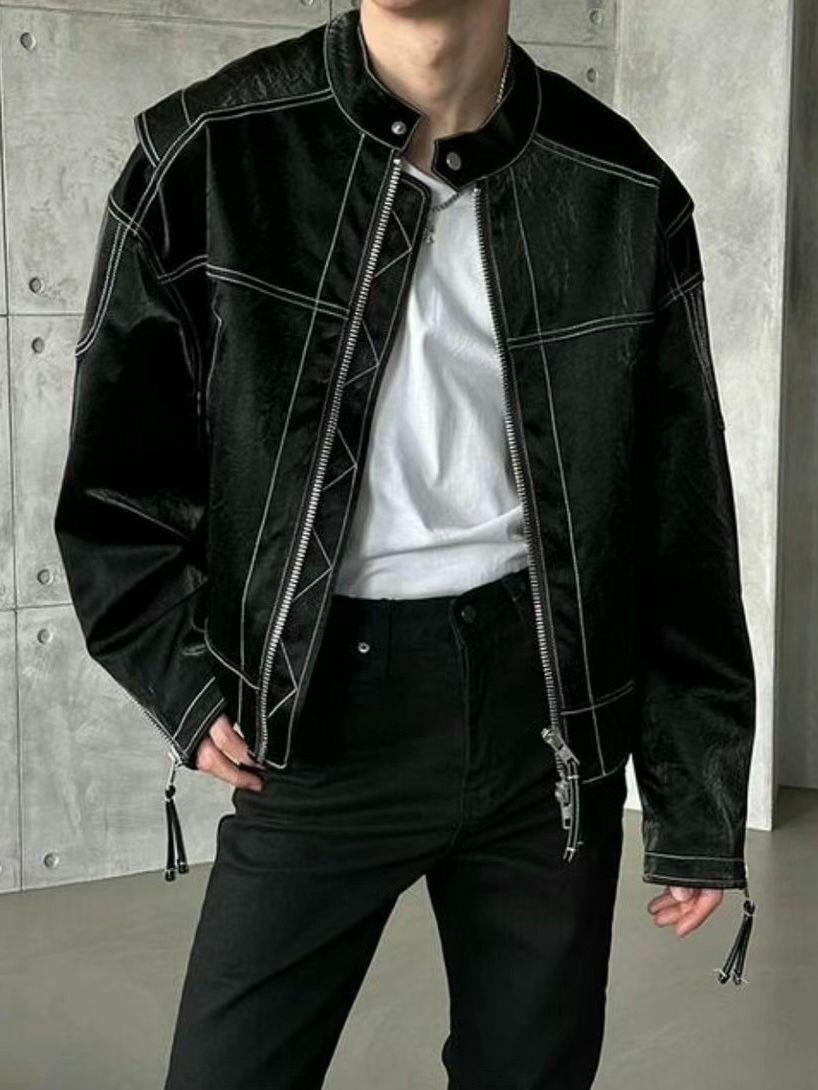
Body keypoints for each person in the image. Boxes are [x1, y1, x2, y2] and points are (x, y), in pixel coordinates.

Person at [53, 1, 758, 1086]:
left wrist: (696, 794)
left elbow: (682, 515)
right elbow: (116, 474)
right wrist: (182, 679)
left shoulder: (620, 185)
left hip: (546, 723)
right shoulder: (210, 151)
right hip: (319, 715)